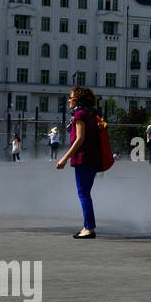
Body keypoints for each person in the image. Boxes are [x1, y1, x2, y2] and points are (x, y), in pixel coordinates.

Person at [56, 85, 103, 239]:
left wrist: (64, 158)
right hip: (93, 158)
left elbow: (80, 138)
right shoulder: (90, 114)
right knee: (85, 193)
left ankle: (89, 229)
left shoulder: (80, 115)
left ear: (77, 99)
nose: (69, 100)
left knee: (83, 194)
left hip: (84, 159)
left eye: (71, 97)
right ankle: (87, 226)